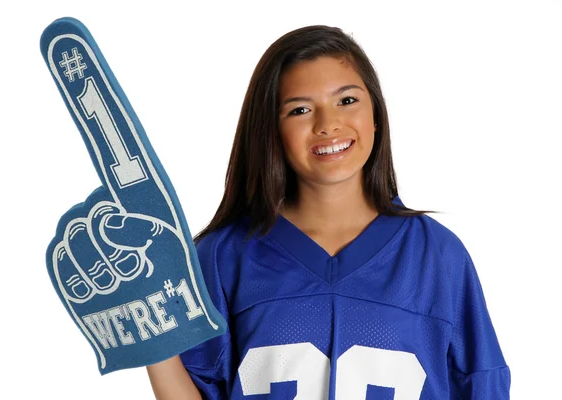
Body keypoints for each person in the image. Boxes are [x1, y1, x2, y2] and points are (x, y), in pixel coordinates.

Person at [146, 24, 510, 399]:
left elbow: (481, 385)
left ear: (376, 114)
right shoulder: (223, 257)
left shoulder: (437, 256)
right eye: (300, 109)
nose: (328, 124)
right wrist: (151, 338)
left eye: (347, 100)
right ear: (271, 129)